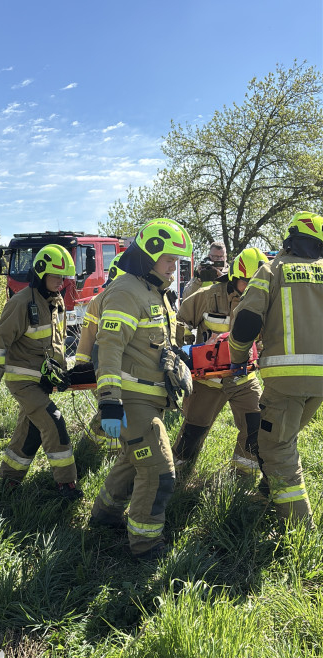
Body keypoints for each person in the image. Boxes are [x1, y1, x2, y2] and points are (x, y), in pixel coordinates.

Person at [90, 219, 193, 561]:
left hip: (152, 400)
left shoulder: (155, 293)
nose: (173, 268)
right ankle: (146, 546)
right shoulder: (125, 291)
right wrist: (110, 403)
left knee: (132, 463)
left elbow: (157, 344)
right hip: (132, 401)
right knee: (160, 473)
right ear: (149, 255)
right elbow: (109, 348)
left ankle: (103, 516)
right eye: (169, 260)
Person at [230, 212, 323, 528]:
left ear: (289, 240)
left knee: (277, 449)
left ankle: (300, 529)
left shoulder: (272, 271)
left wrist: (238, 358)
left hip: (286, 380)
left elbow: (246, 323)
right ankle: (265, 497)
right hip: (320, 383)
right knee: (284, 438)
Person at [0, 244, 83, 500]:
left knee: (32, 430)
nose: (60, 283)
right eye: (56, 276)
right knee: (54, 421)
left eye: (63, 278)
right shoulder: (21, 303)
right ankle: (66, 485)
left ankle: (8, 482)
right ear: (40, 273)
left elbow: (56, 342)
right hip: (22, 379)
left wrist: (60, 371)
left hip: (42, 380)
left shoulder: (55, 302)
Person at [172, 247, 268, 479]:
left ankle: (241, 478)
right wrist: (188, 352)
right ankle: (176, 474)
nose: (253, 289)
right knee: (193, 430)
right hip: (209, 380)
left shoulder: (266, 301)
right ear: (234, 279)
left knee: (255, 426)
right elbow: (180, 322)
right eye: (248, 282)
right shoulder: (209, 296)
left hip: (244, 379)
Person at [73, 254, 125, 455]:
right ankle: (113, 455)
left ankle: (89, 447)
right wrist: (81, 369)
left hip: (122, 367)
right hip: (104, 368)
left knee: (109, 409)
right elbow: (87, 336)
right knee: (114, 407)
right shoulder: (99, 301)